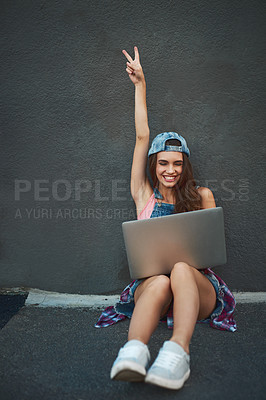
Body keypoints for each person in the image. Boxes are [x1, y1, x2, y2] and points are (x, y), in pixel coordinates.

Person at [95, 46, 236, 390]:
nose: (170, 170)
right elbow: (142, 136)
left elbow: (210, 251)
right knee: (159, 280)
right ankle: (133, 353)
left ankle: (177, 353)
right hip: (155, 292)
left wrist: (183, 268)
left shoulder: (202, 196)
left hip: (195, 289)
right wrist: (140, 85)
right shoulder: (143, 195)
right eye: (162, 163)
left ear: (184, 165)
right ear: (154, 166)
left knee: (181, 269)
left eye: (176, 163)